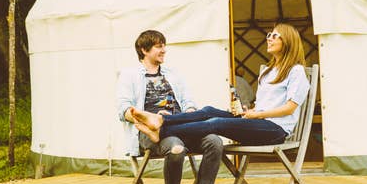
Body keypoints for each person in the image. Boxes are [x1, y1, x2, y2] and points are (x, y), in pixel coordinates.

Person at [129, 23, 310, 150]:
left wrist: (257, 114)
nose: (269, 38)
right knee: (208, 110)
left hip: (275, 130)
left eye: (275, 36)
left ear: (287, 41)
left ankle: (160, 131)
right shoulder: (268, 72)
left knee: (215, 123)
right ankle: (161, 121)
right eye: (269, 35)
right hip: (258, 121)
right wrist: (248, 111)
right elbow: (265, 106)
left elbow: (289, 108)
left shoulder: (296, 71)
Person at [116, 30, 223, 184]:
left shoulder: (173, 74)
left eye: (164, 45)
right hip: (150, 133)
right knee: (176, 148)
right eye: (159, 46)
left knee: (214, 141)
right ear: (144, 49)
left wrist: (190, 111)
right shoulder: (129, 75)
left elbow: (188, 101)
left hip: (181, 125)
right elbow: (122, 110)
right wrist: (141, 116)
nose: (164, 50)